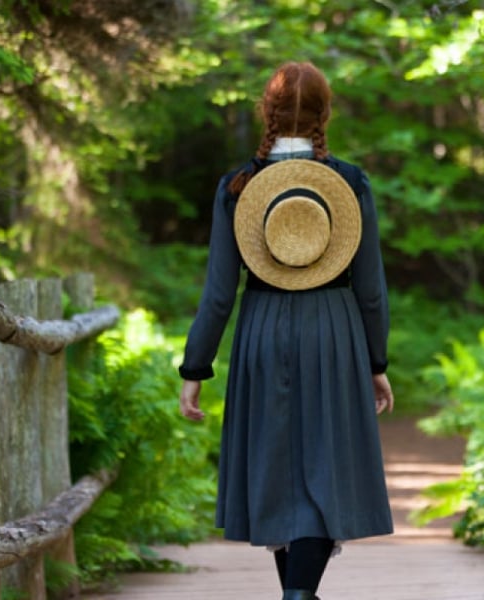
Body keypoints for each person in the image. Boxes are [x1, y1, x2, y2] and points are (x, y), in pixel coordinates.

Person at [178, 61, 394, 600]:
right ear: (326, 114)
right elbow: (370, 289)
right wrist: (377, 362)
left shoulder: (239, 186)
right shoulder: (347, 183)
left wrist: (194, 367)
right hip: (334, 329)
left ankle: (297, 594)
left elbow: (219, 293)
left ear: (267, 113)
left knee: (276, 466)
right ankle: (299, 595)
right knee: (325, 464)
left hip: (262, 330)